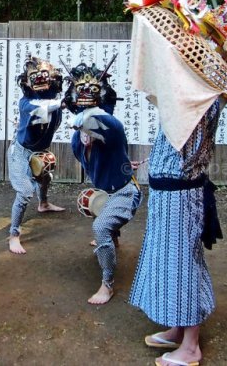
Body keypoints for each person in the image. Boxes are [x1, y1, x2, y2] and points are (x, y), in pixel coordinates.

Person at [129, 100, 223, 366]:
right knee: (167, 261)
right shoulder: (188, 90)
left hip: (180, 195)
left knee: (183, 264)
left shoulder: (200, 93)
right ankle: (178, 328)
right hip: (169, 194)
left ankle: (191, 346)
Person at [65, 60, 142, 305]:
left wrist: (82, 118)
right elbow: (82, 126)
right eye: (81, 89)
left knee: (100, 228)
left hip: (125, 192)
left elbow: (94, 122)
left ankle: (107, 284)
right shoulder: (77, 138)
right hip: (106, 189)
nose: (86, 93)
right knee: (97, 206)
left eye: (93, 89)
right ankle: (114, 238)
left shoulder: (111, 124)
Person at [8, 55, 66, 254]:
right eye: (35, 76)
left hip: (39, 151)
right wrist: (63, 103)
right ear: (26, 81)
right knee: (24, 192)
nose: (40, 79)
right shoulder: (26, 103)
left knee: (46, 177)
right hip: (20, 153)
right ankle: (14, 235)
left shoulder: (56, 102)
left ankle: (43, 203)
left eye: (44, 75)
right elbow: (41, 109)